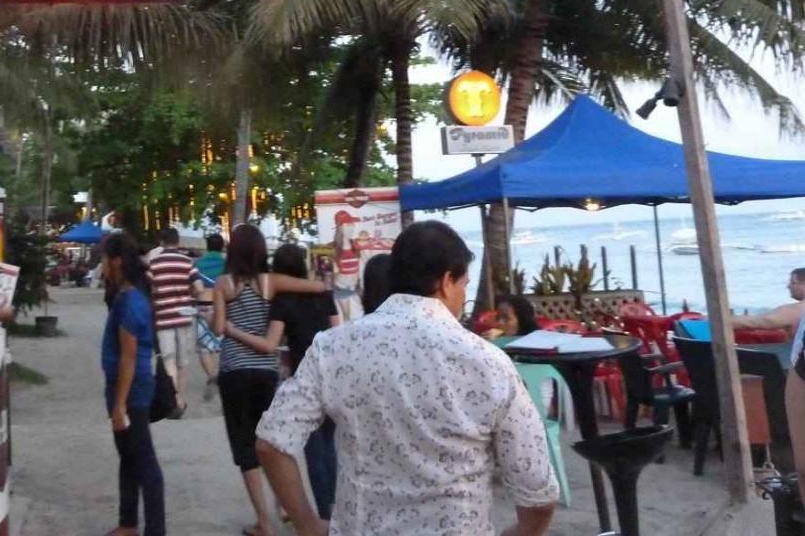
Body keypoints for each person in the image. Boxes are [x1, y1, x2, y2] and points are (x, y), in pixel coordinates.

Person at [255, 221, 559, 536]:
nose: (462, 296)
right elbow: (538, 490)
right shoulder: (488, 362)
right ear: (446, 282)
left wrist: (306, 524)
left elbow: (271, 443)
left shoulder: (334, 347)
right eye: (464, 285)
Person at [214, 224, 327, 536]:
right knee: (273, 439)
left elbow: (219, 328)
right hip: (266, 371)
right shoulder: (271, 282)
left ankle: (264, 521)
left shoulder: (223, 284)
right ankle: (286, 507)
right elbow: (317, 287)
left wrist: (228, 322)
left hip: (233, 370)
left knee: (245, 446)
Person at [102, 232, 166, 536]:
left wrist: (119, 405)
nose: (102, 265)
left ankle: (155, 529)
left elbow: (129, 357)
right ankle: (128, 522)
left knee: (143, 461)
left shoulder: (130, 301)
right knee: (129, 457)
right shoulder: (128, 296)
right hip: (129, 386)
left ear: (116, 262)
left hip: (132, 390)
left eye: (105, 259)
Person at [147, 227, 194, 417]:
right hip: (184, 316)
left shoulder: (154, 264)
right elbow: (199, 287)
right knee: (183, 361)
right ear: (178, 241)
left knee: (168, 360)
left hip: (163, 317)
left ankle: (173, 401)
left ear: (161, 242)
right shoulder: (187, 262)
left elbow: (150, 289)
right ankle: (181, 399)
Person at [191, 233, 226, 400]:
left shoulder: (198, 263)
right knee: (224, 344)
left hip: (203, 306)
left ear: (207, 245)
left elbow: (193, 286)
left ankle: (212, 375)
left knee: (204, 347)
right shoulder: (227, 264)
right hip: (222, 306)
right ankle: (221, 375)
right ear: (222, 246)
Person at [730, 268, 805, 337]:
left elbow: (759, 321)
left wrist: (726, 321)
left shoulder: (798, 309)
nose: (788, 286)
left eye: (793, 283)